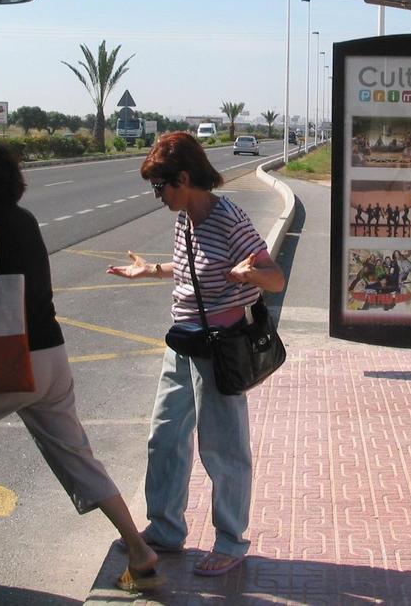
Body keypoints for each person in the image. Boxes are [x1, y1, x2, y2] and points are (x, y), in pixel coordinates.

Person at [0, 142, 161, 593]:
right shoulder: (21, 218)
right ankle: (139, 551)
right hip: (52, 357)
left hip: (9, 362)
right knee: (78, 457)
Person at [106, 131, 285, 576]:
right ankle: (166, 528)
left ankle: (231, 540)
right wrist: (152, 270)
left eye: (160, 186)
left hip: (217, 350)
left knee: (224, 449)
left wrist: (251, 274)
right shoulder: (185, 218)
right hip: (182, 344)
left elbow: (274, 277)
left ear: (184, 178)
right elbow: (192, 269)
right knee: (164, 437)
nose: (157, 195)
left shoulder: (227, 218)